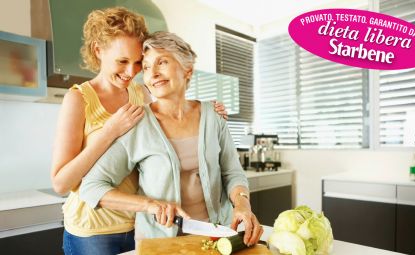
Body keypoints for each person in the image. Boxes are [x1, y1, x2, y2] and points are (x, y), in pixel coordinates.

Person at [51, 7, 226, 255]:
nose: (131, 72)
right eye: (122, 61)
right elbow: (60, 183)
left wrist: (207, 111)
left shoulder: (139, 93)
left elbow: (169, 112)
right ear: (98, 51)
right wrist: (110, 131)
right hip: (93, 230)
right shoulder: (79, 99)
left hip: (140, 223)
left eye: (137, 63)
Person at [79, 31, 263, 246]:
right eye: (146, 67)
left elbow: (232, 172)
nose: (153, 73)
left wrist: (242, 204)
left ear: (188, 70)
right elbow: (92, 187)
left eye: (162, 62)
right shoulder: (137, 122)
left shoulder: (213, 116)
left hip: (217, 236)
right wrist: (150, 205)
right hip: (160, 242)